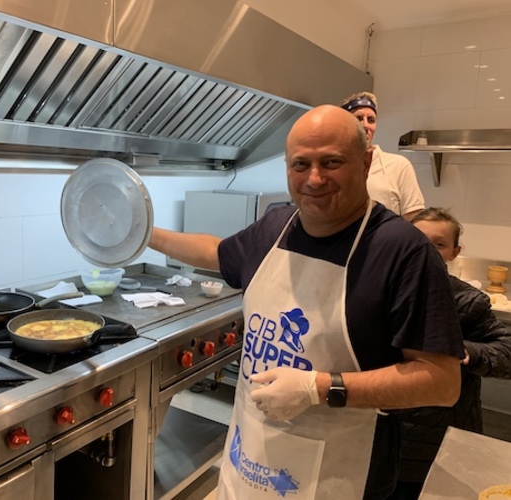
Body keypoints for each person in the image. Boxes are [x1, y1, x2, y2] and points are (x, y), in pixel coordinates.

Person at [149, 105, 463, 499]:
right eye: (301, 164)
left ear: (365, 163)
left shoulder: (403, 252)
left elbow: (441, 381)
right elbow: (216, 251)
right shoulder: (275, 227)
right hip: (248, 463)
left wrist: (319, 388)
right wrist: (144, 232)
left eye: (332, 162)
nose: (314, 179)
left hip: (341, 476)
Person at [390, 207, 511, 500]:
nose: (427, 250)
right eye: (418, 240)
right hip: (386, 426)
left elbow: (506, 350)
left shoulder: (467, 301)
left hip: (443, 431)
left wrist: (465, 351)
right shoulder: (382, 289)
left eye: (439, 244)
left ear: (455, 252)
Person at [341, 91, 425, 221]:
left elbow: (414, 218)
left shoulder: (398, 166)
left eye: (371, 120)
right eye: (359, 118)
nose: (366, 125)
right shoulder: (334, 166)